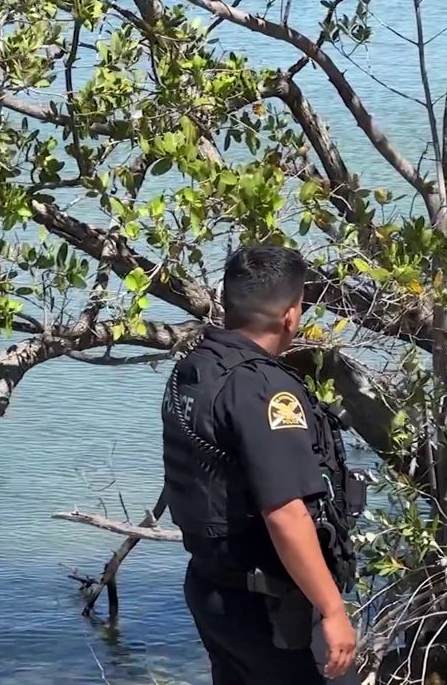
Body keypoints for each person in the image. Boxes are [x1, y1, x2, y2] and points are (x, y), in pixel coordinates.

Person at [161, 245, 367, 685]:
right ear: (292, 315)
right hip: (273, 612)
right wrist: (332, 611)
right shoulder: (265, 391)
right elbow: (285, 513)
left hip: (213, 588)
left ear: (227, 300)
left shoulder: (195, 368)